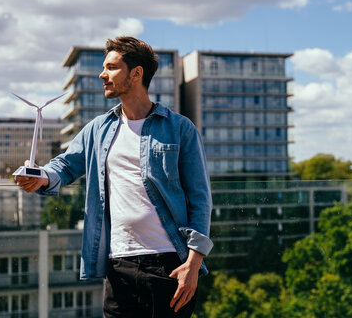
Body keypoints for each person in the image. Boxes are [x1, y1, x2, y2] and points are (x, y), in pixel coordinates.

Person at [15, 36, 213, 317]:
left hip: (169, 265)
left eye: (111, 67)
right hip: (118, 266)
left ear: (136, 73)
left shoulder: (180, 129)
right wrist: (41, 177)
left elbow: (200, 199)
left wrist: (193, 264)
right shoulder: (99, 129)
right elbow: (66, 165)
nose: (102, 74)